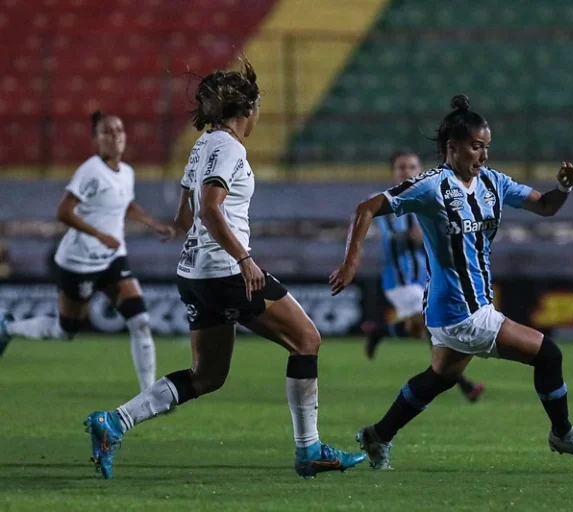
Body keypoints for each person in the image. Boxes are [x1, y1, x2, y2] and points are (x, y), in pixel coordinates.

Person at [83, 59, 366, 480]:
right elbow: (212, 208)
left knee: (207, 375)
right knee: (306, 338)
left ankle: (115, 422)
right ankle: (309, 451)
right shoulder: (229, 148)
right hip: (224, 270)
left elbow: (188, 209)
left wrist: (179, 227)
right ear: (246, 110)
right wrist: (244, 258)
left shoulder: (202, 144)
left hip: (195, 273)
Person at [330, 95, 573, 469]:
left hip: (461, 306)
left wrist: (563, 188)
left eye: (487, 148)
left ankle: (377, 435)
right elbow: (366, 208)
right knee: (549, 355)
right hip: (460, 311)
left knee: (440, 378)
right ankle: (562, 432)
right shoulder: (430, 186)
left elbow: (545, 205)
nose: (484, 156)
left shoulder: (493, 183)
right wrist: (351, 263)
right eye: (477, 147)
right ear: (453, 148)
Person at [0, 112, 175, 392]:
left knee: (140, 321)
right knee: (65, 330)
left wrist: (153, 223)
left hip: (112, 259)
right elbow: (63, 212)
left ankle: (148, 395)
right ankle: (7, 328)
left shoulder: (127, 172)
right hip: (78, 262)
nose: (115, 135)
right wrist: (99, 234)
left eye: (119, 130)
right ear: (97, 140)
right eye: (107, 132)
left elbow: (125, 204)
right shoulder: (90, 171)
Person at [363, 150, 485, 402]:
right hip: (400, 280)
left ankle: (380, 332)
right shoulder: (380, 200)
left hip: (425, 279)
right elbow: (387, 231)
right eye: (401, 167)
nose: (407, 171)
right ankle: (461, 383)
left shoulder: (430, 199)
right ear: (393, 172)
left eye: (412, 167)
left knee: (418, 328)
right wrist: (410, 235)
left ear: (420, 171)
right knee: (433, 328)